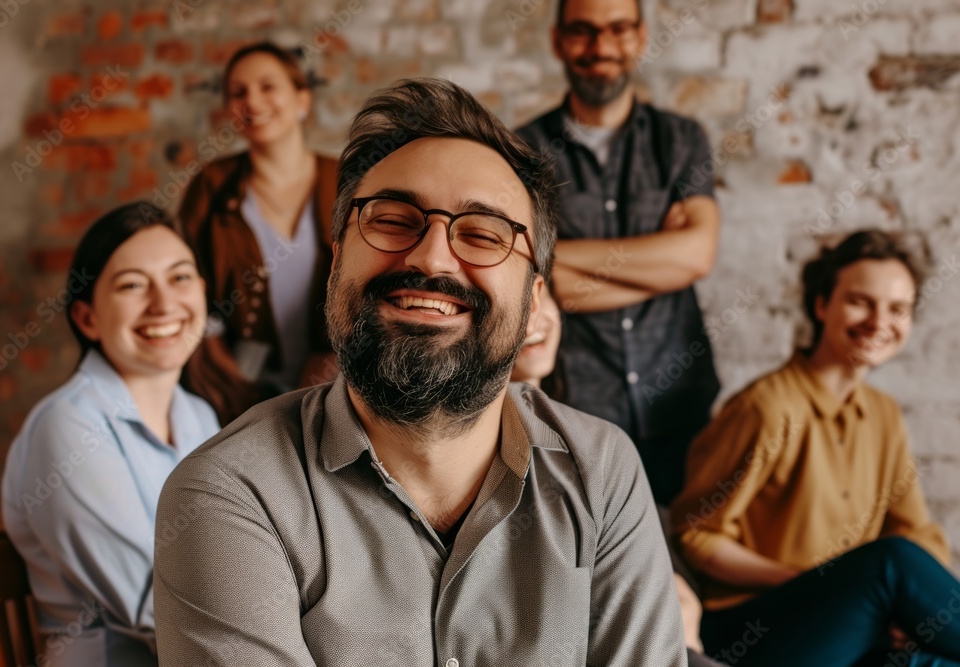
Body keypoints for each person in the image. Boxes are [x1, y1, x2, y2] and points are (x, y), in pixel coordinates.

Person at [154, 78, 687, 666]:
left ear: (536, 301)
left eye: (483, 235)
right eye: (391, 220)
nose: (430, 257)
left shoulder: (601, 473)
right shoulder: (232, 491)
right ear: (336, 262)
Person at [671, 230, 960, 666]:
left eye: (898, 309)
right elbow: (696, 534)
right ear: (822, 304)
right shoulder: (765, 408)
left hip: (848, 620)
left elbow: (916, 530)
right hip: (753, 627)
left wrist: (917, 609)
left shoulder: (883, 413)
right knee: (891, 563)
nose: (880, 321)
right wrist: (804, 580)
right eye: (861, 301)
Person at [517, 0, 721, 506]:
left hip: (679, 397)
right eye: (583, 32)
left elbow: (696, 255)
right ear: (558, 41)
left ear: (640, 37)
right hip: (578, 407)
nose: (601, 47)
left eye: (617, 29)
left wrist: (564, 254)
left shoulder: (680, 139)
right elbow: (540, 281)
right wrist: (659, 263)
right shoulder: (521, 150)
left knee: (685, 564)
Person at [1, 203, 221, 666]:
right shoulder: (66, 426)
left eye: (180, 278)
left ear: (202, 292)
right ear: (87, 319)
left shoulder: (199, 416)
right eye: (132, 285)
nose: (163, 304)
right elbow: (158, 607)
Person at [510, 284, 723, 667]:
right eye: (517, 303)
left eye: (544, 298)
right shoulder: (492, 448)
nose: (535, 320)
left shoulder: (597, 442)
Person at [179, 41, 338, 425]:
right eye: (238, 92)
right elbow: (185, 275)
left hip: (337, 387)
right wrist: (219, 364)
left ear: (302, 100)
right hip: (238, 392)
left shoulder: (347, 178)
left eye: (268, 87)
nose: (252, 100)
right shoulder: (211, 186)